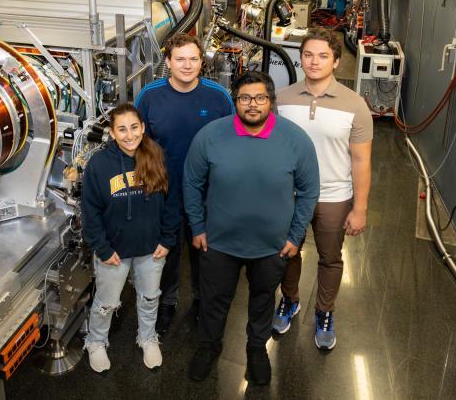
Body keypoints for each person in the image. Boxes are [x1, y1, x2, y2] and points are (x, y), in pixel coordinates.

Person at [183, 71, 320, 385]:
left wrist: (295, 235)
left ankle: (257, 349)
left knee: (262, 298)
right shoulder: (211, 135)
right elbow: (191, 182)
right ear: (236, 102)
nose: (252, 104)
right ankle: (209, 346)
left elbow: (309, 190)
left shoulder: (296, 140)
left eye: (260, 97)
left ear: (271, 101)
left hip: (272, 245)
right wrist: (198, 226)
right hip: (218, 242)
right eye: (245, 98)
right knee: (214, 299)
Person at [274, 27, 373, 350]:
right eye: (308, 55)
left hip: (334, 196)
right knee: (288, 252)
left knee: (330, 258)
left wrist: (359, 209)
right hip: (290, 196)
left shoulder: (355, 105)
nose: (314, 62)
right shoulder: (283, 99)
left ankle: (324, 312)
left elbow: (361, 161)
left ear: (337, 61)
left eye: (323, 56)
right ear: (300, 58)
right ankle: (290, 300)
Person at [135, 33, 234, 334]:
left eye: (193, 59)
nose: (187, 65)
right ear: (168, 62)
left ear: (202, 62)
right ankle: (167, 302)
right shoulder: (149, 96)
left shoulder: (218, 97)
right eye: (180, 59)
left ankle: (203, 301)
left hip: (207, 192)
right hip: (164, 190)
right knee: (167, 249)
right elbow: (138, 143)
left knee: (205, 250)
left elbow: (230, 141)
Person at [81, 104, 177, 372]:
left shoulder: (156, 156)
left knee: (149, 297)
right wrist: (101, 247)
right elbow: (90, 210)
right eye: (121, 129)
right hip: (113, 251)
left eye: (134, 127)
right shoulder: (99, 165)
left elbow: (171, 202)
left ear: (142, 128)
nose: (129, 135)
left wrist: (167, 239)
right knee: (106, 302)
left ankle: (147, 338)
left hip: (151, 248)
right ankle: (96, 341)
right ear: (112, 132)